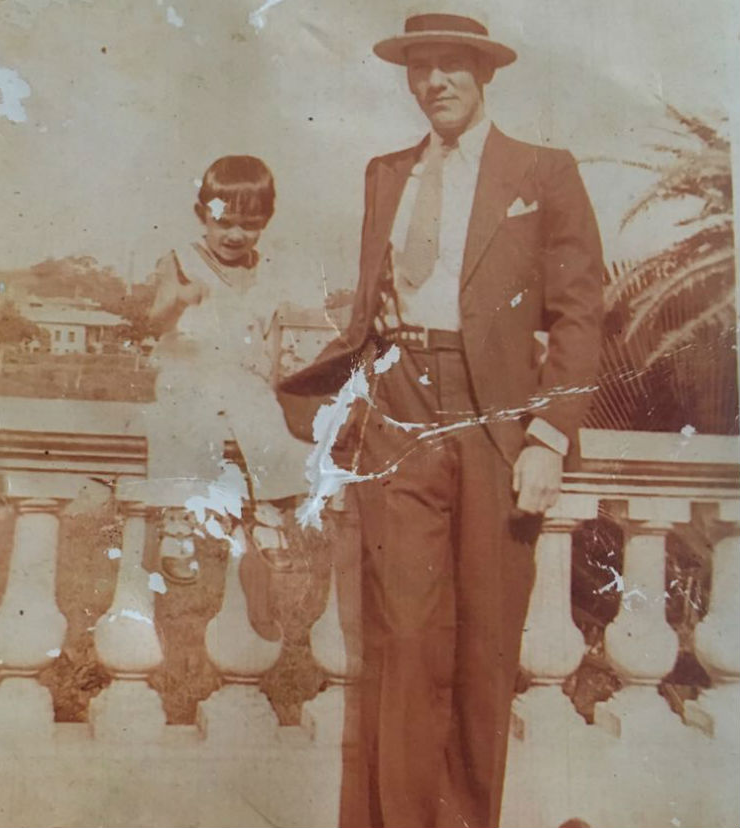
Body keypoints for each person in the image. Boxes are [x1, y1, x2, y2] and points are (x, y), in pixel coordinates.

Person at [278, 4, 605, 827]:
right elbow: (370, 301)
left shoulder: (543, 172)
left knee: (485, 648)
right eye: (421, 67)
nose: (435, 82)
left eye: (452, 64)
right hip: (400, 415)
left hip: (499, 423)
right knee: (407, 642)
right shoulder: (388, 172)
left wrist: (551, 436)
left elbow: (578, 314)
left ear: (485, 72)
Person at [146, 155, 311, 582]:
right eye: (224, 222)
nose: (236, 234)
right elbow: (155, 319)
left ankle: (269, 516)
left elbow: (271, 335)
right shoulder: (182, 261)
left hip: (239, 376)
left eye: (250, 224)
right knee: (183, 422)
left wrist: (269, 388)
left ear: (266, 221)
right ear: (203, 215)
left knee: (265, 420)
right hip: (189, 367)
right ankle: (178, 522)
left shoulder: (265, 273)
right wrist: (179, 299)